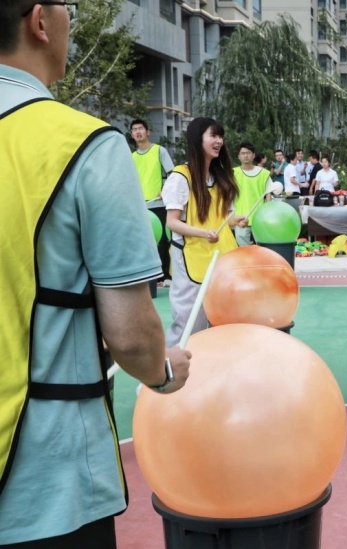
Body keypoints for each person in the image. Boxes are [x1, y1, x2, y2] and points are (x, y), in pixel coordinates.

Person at [0, 2, 190, 545]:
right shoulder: (83, 143)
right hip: (44, 478)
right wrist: (162, 370)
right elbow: (129, 336)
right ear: (39, 21)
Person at [162, 118, 245, 347]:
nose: (219, 141)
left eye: (221, 136)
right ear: (197, 139)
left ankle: (213, 367)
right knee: (189, 323)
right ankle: (171, 367)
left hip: (221, 258)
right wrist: (203, 233)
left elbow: (221, 219)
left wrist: (236, 220)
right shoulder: (181, 177)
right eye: (213, 136)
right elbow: (172, 222)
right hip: (191, 258)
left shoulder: (220, 178)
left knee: (222, 322)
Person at [130, 118, 175, 285]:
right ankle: (149, 278)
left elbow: (172, 174)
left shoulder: (159, 150)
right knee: (143, 242)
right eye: (134, 129)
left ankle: (165, 276)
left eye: (140, 128)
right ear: (132, 134)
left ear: (148, 131)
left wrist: (165, 190)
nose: (138, 132)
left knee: (162, 241)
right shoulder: (132, 156)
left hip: (158, 204)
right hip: (140, 206)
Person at [233, 142, 273, 246]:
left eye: (248, 153)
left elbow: (268, 195)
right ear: (238, 156)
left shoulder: (264, 173)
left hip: (259, 218)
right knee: (243, 250)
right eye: (243, 153)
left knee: (262, 247)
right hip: (241, 218)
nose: (245, 155)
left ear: (253, 155)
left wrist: (268, 214)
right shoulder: (233, 173)